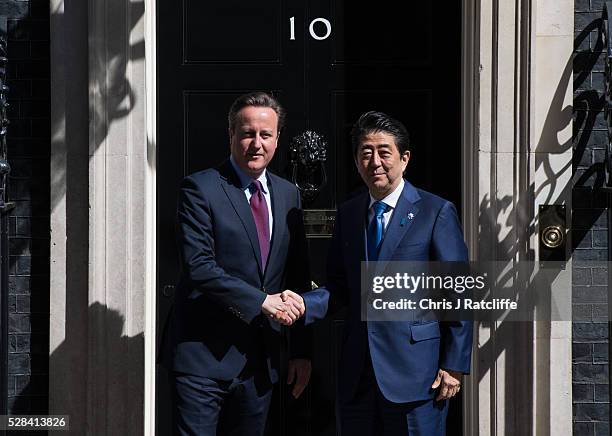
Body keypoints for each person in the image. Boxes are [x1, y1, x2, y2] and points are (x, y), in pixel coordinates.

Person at [290, 111, 473, 435]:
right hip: (358, 375)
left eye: (384, 152)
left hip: (418, 376)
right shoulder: (347, 214)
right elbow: (340, 287)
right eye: (365, 152)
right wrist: (304, 305)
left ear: (404, 159)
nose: (374, 161)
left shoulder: (435, 212)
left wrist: (454, 364)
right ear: (357, 161)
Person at [163, 91, 311, 435]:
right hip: (202, 358)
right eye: (247, 133)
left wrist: (302, 350)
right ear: (231, 135)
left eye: (265, 135)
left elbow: (298, 275)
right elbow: (199, 266)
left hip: (261, 362)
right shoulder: (200, 189)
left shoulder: (289, 195)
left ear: (277, 140)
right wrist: (262, 302)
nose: (256, 143)